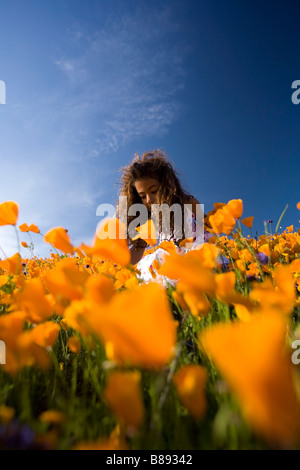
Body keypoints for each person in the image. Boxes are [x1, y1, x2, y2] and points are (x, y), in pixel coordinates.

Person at [116, 150, 206, 282]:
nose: (149, 199)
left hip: (198, 253)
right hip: (172, 260)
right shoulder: (149, 220)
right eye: (142, 196)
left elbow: (209, 225)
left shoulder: (188, 203)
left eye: (153, 191)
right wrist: (118, 270)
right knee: (154, 265)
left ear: (166, 186)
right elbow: (138, 249)